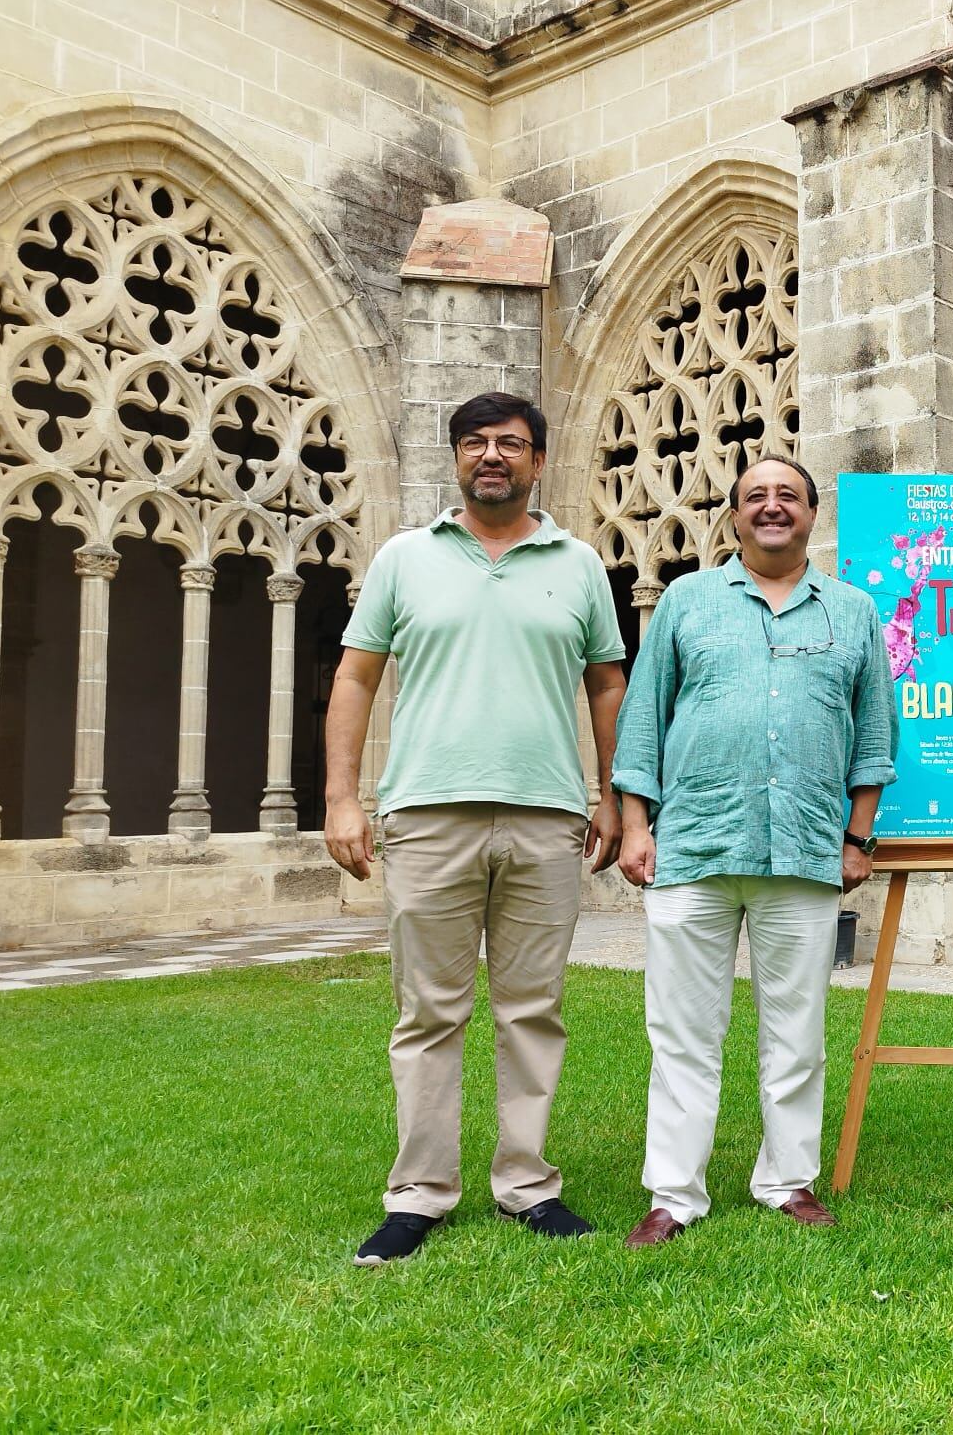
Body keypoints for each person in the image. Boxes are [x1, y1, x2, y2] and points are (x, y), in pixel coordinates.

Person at [324, 390, 627, 1267]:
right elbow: (355, 678)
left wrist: (610, 794)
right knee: (428, 1012)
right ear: (456, 459)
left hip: (545, 817)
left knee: (533, 1009)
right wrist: (345, 799)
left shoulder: (577, 564)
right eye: (476, 443)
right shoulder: (403, 559)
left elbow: (607, 685)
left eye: (511, 444)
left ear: (539, 462)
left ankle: (527, 1186)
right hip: (426, 812)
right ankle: (417, 1195)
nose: (492, 456)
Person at [613, 455, 897, 1247]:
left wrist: (857, 836)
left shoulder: (853, 611)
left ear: (813, 515)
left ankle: (787, 1181)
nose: (772, 508)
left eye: (789, 497)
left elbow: (874, 734)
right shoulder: (687, 601)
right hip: (694, 845)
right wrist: (638, 825)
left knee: (796, 1030)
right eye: (755, 498)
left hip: (805, 849)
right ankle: (674, 1193)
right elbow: (643, 719)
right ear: (734, 517)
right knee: (682, 1033)